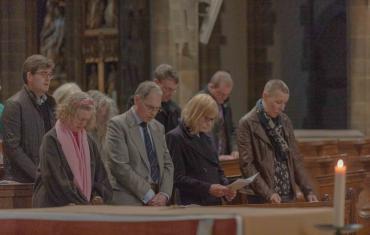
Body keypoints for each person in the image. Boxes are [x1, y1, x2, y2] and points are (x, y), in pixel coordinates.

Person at [237, 79, 318, 204]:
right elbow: (247, 165)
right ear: (265, 96)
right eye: (278, 102)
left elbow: (295, 158)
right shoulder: (247, 123)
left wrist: (308, 190)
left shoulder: (285, 121)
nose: (282, 108)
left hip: (287, 193)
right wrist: (268, 193)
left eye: (285, 103)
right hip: (261, 196)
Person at [32, 92, 112, 207]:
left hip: (82, 203)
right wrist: (79, 201)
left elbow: (100, 174)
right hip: (55, 203)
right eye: (80, 119)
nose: (83, 123)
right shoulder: (51, 139)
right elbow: (54, 178)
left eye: (86, 120)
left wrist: (97, 195)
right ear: (68, 113)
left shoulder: (89, 140)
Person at [106, 81, 174, 206]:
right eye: (150, 107)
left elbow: (168, 164)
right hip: (129, 197)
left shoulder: (158, 127)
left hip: (159, 199)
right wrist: (148, 194)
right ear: (137, 100)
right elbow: (120, 167)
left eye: (157, 109)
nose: (153, 113)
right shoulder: (118, 125)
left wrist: (164, 194)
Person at [166, 94, 236, 205]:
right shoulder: (176, 137)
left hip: (213, 202)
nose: (209, 123)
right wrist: (208, 188)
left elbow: (217, 169)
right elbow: (177, 178)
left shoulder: (207, 137)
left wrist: (226, 187)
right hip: (191, 202)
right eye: (206, 118)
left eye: (212, 119)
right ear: (195, 113)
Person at [2, 55, 56, 182]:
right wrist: (38, 175)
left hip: (47, 177)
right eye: (43, 74)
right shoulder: (14, 105)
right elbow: (12, 148)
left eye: (49, 74)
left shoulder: (51, 103)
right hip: (21, 181)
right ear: (29, 76)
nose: (47, 78)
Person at [127, 64, 181, 133]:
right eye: (167, 89)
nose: (171, 94)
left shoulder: (175, 110)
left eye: (173, 90)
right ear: (156, 83)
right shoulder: (137, 101)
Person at [201, 71, 238, 160]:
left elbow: (231, 128)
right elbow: (201, 134)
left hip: (225, 157)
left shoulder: (225, 102)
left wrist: (234, 148)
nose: (223, 98)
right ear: (211, 87)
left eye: (226, 95)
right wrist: (214, 156)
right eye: (220, 94)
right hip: (208, 158)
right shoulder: (201, 102)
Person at [87, 90, 118, 159]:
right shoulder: (85, 135)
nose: (103, 114)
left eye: (106, 115)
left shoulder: (113, 134)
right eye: (99, 111)